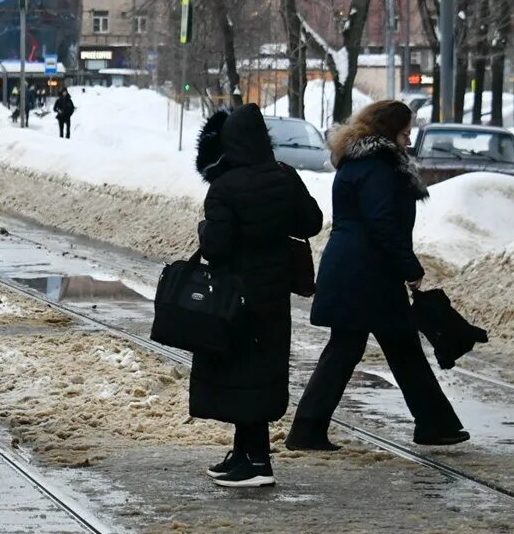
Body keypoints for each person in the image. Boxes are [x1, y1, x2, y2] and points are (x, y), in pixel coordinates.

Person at [286, 100, 468, 450]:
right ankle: (308, 429)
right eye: (404, 131)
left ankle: (433, 423)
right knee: (363, 349)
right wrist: (410, 267)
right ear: (387, 131)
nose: (408, 138)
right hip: (366, 273)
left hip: (358, 269)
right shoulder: (378, 167)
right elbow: (382, 222)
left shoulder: (359, 162)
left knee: (386, 348)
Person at [189, 105, 324, 488]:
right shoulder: (284, 175)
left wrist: (205, 226)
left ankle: (257, 461)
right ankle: (245, 454)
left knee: (238, 375)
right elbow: (311, 223)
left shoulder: (224, 187)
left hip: (234, 297)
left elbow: (216, 246)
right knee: (261, 374)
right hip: (274, 294)